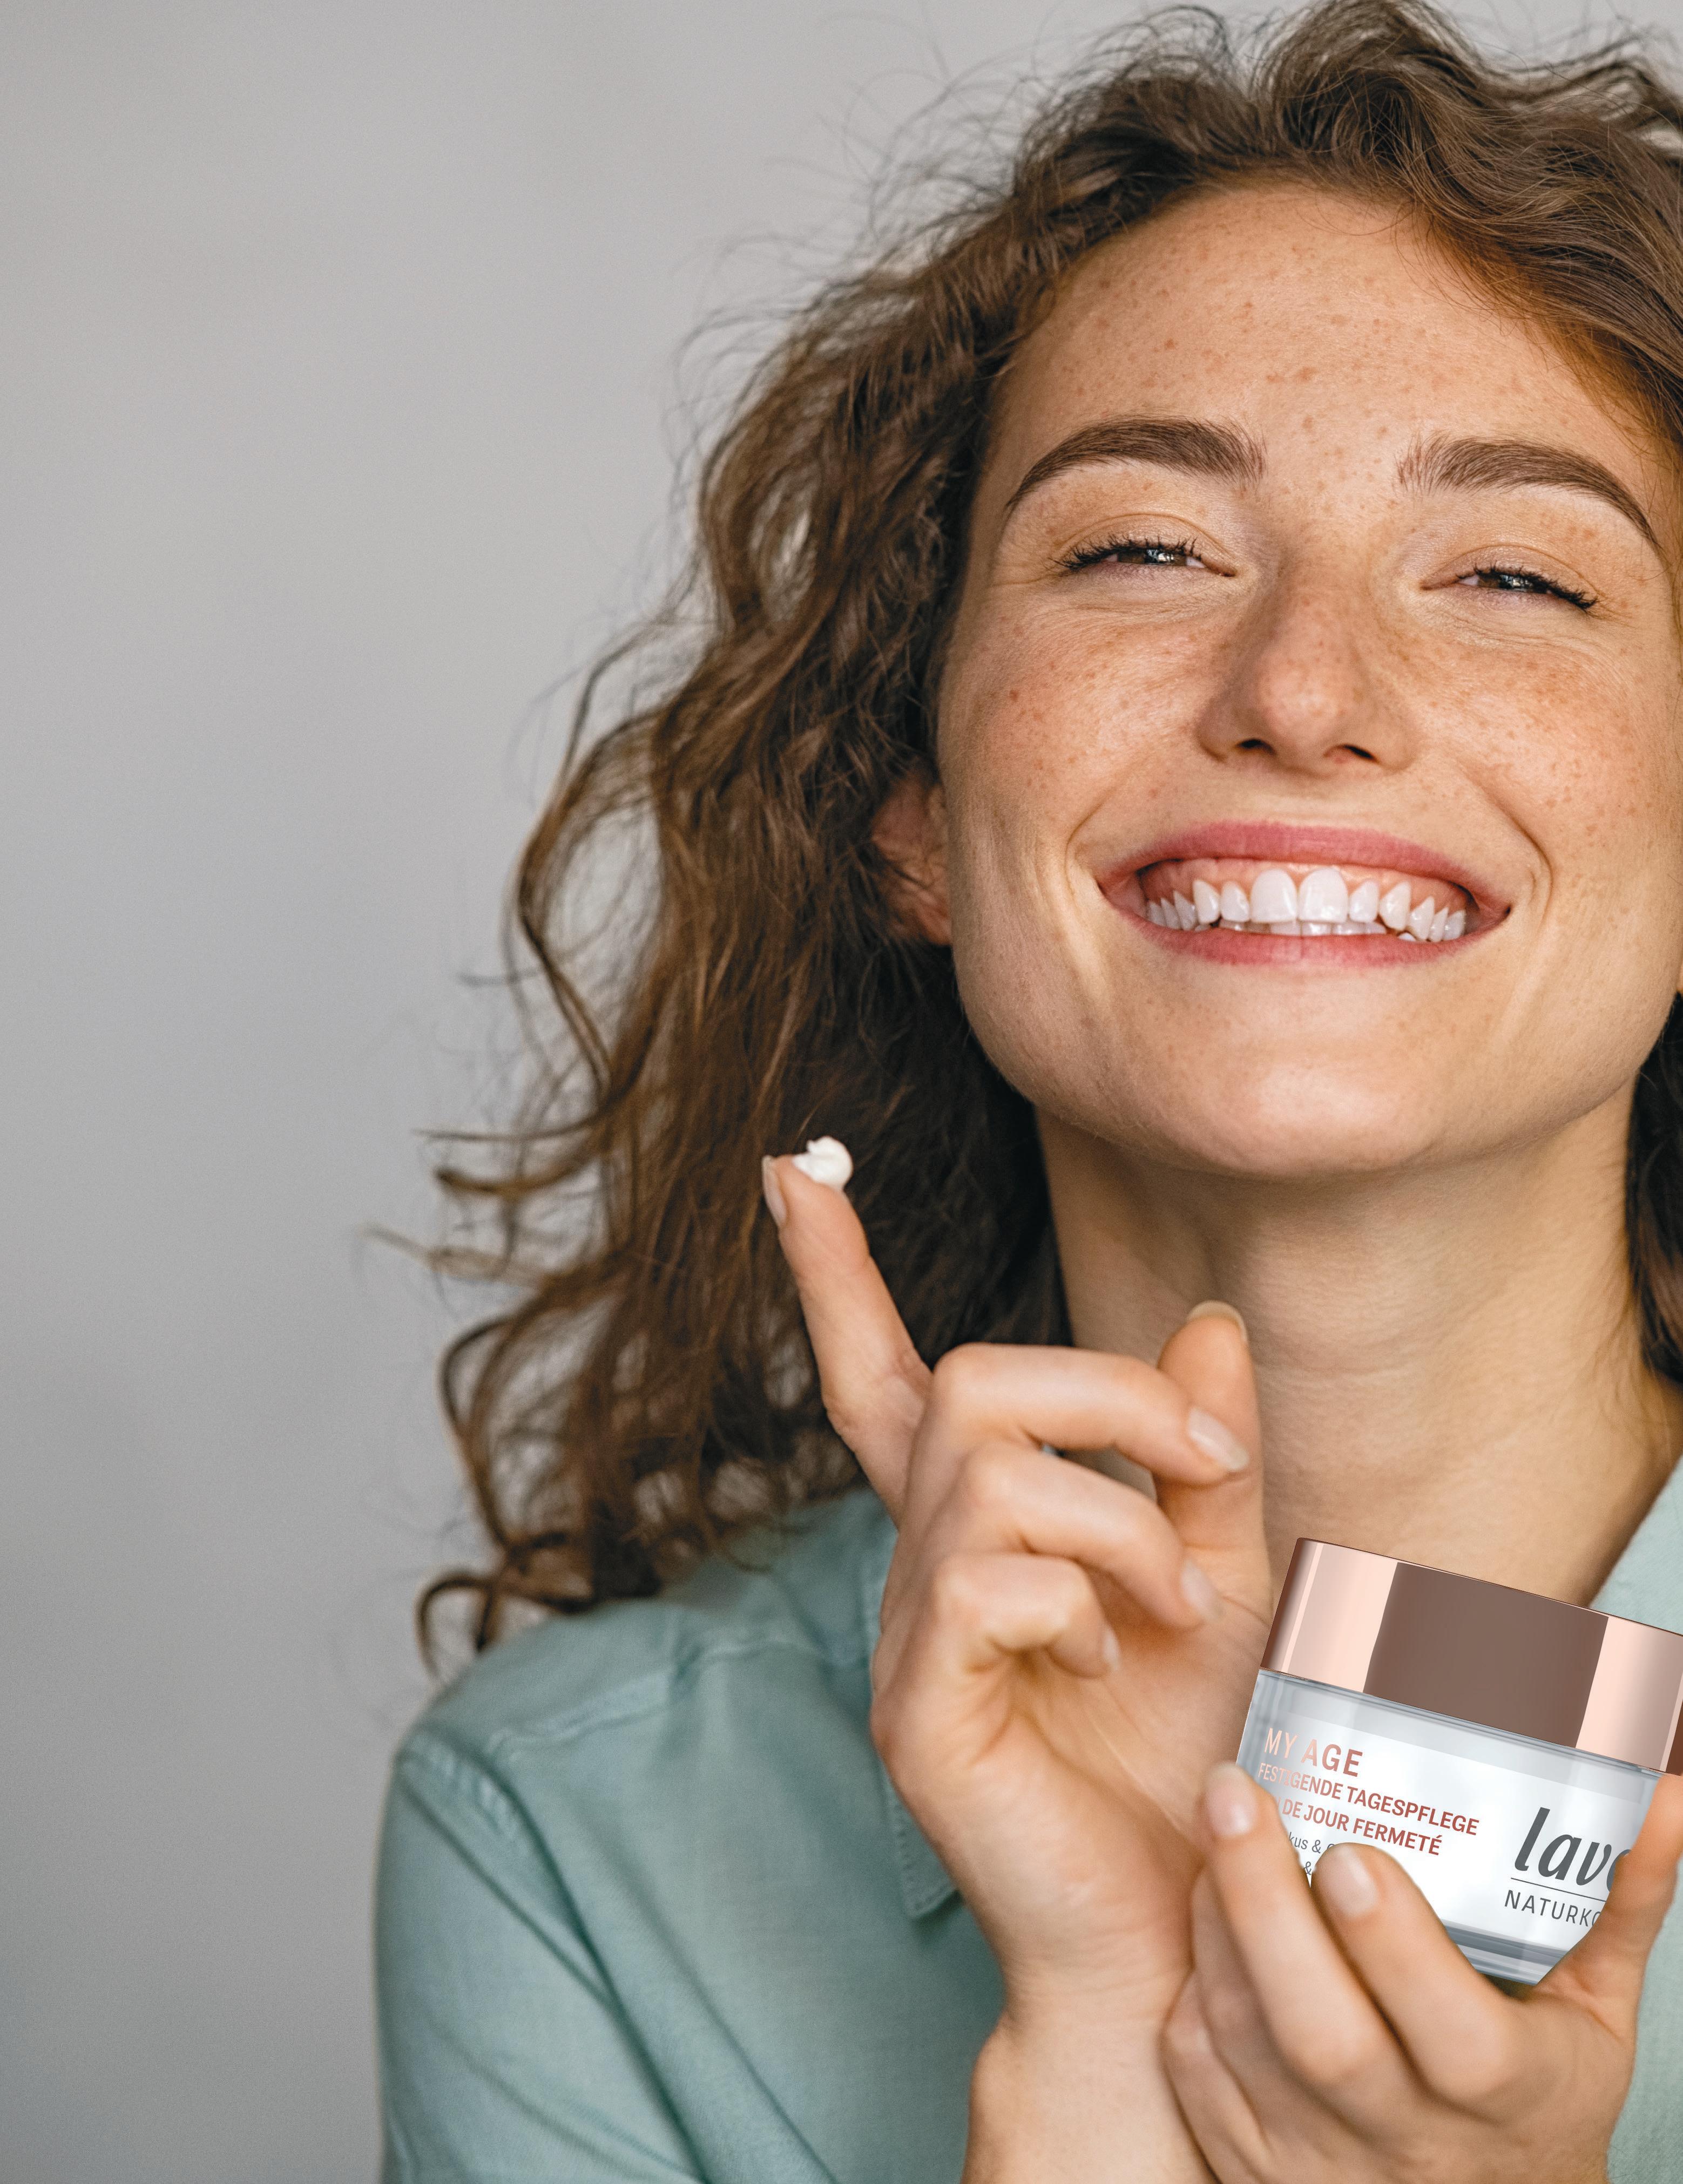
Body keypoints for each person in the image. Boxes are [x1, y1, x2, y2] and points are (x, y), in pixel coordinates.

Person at [373, 3, 1683, 2176]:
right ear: (907, 805)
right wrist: (1100, 2048)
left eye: (1519, 576)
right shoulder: (571, 1835)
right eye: (1143, 549)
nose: (1304, 691)